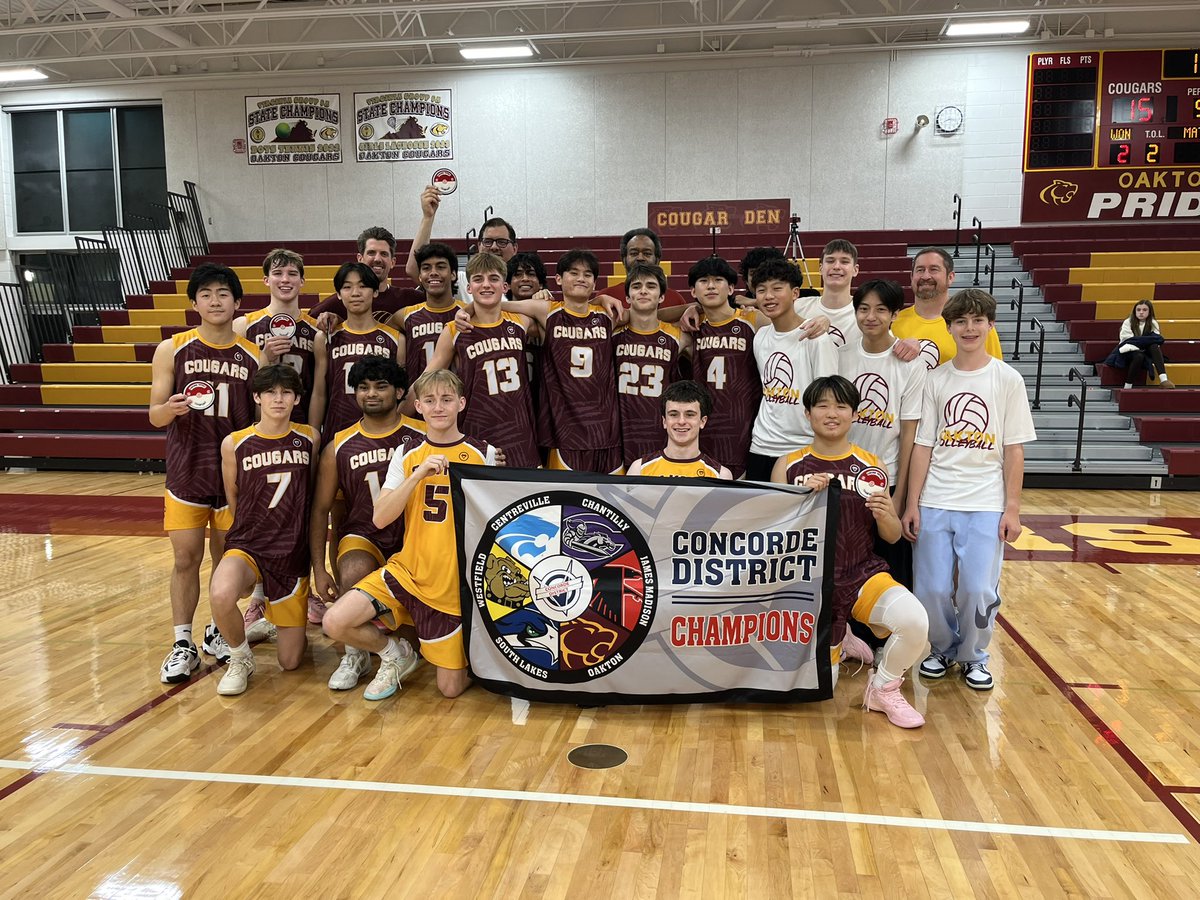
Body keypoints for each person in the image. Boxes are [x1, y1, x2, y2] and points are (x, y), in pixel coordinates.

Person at [321, 369, 498, 701]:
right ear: (418, 406)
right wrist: (417, 476)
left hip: (451, 586)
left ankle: (461, 653)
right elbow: (381, 516)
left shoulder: (484, 454)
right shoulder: (406, 455)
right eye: (430, 400)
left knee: (450, 689)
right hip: (407, 571)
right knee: (334, 622)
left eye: (446, 399)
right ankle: (396, 652)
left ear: (461, 403)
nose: (438, 407)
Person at [771, 375, 930, 728]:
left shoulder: (871, 465)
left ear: (854, 415)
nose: (832, 413)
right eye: (823, 405)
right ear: (808, 413)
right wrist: (798, 502)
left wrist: (888, 514)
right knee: (817, 690)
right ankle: (838, 637)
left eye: (841, 406)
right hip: (807, 586)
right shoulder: (788, 465)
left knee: (915, 621)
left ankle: (884, 688)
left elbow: (889, 537)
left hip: (860, 572)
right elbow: (772, 537)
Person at [902, 289, 1036, 691]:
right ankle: (942, 649)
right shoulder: (935, 378)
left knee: (977, 589)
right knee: (932, 588)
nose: (969, 328)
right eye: (961, 321)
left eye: (978, 320)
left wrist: (1012, 509)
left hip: (985, 502)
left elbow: (1014, 451)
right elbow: (923, 446)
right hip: (936, 499)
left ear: (990, 326)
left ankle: (974, 655)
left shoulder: (1007, 379)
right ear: (950, 327)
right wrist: (912, 503)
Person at [150, 263, 259, 683]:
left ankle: (216, 630)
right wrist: (170, 409)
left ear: (236, 302)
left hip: (231, 478)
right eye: (207, 294)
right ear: (194, 302)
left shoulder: (253, 355)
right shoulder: (172, 349)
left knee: (225, 560)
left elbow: (255, 425)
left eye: (223, 294)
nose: (215, 301)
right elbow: (154, 415)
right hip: (187, 472)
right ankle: (181, 642)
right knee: (184, 559)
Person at [310, 355, 426, 690]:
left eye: (380, 386)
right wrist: (320, 569)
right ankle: (356, 653)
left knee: (418, 649)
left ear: (400, 392)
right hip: (363, 534)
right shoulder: (339, 446)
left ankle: (398, 648)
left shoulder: (421, 435)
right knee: (353, 571)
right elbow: (321, 511)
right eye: (363, 387)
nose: (371, 394)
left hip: (412, 537)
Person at [208, 364, 319, 695]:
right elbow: (234, 497)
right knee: (221, 593)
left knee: (290, 662)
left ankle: (271, 618)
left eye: (286, 392)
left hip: (291, 555)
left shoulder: (309, 438)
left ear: (297, 398)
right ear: (256, 396)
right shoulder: (235, 443)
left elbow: (311, 496)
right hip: (248, 545)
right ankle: (240, 657)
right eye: (270, 392)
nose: (278, 399)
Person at [425, 252, 541, 468]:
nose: (486, 285)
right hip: (475, 433)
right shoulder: (454, 330)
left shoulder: (521, 323)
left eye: (494, 279)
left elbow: (557, 314)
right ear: (469, 288)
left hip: (521, 434)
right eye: (478, 280)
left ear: (505, 286)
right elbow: (426, 381)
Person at [745, 258, 838, 481]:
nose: (768, 296)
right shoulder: (761, 337)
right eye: (761, 290)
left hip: (802, 446)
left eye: (777, 288)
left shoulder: (816, 338)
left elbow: (828, 398)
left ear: (795, 293)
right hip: (762, 444)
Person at [687, 256, 760, 478]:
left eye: (718, 280)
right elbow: (648, 316)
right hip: (706, 428)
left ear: (730, 289)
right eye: (703, 281)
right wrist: (689, 309)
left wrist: (821, 320)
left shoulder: (752, 319)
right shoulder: (692, 328)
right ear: (693, 292)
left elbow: (790, 323)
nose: (710, 286)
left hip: (745, 426)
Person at [235, 248, 322, 424]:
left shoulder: (315, 328)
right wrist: (263, 358)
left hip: (301, 421)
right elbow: (237, 382)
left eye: (292, 273)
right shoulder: (244, 325)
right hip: (257, 423)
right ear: (266, 280)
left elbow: (319, 388)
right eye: (277, 273)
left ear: (302, 281)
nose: (285, 279)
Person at [615, 262, 687, 468]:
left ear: (662, 296)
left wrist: (695, 308)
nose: (644, 291)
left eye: (651, 286)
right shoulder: (611, 334)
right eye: (636, 286)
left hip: (659, 430)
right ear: (627, 297)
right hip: (619, 431)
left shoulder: (678, 336)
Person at [320, 262, 404, 438]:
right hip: (337, 428)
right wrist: (315, 431)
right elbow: (319, 392)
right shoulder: (326, 337)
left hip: (383, 430)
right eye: (347, 287)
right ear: (338, 294)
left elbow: (401, 392)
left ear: (375, 292)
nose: (355, 293)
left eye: (363, 286)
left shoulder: (396, 339)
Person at [893, 248, 1003, 369]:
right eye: (920, 270)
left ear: (950, 277)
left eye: (934, 269)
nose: (925, 276)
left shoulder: (975, 326)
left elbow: (995, 375)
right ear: (911, 276)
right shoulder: (893, 323)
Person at [311, 225, 425, 326]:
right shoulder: (341, 302)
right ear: (360, 259)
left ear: (393, 262)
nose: (377, 259)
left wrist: (427, 218)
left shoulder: (411, 299)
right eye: (371, 253)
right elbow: (307, 323)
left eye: (384, 254)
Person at [388, 241, 464, 386]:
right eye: (426, 268)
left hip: (456, 399)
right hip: (418, 400)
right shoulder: (404, 316)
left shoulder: (467, 313)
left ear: (453, 274)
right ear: (421, 277)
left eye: (441, 267)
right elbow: (374, 332)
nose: (433, 272)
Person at [628, 379, 731, 478]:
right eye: (673, 414)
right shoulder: (639, 470)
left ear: (702, 421)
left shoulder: (720, 475)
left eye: (690, 415)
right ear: (664, 421)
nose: (681, 421)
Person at [595, 227, 688, 308]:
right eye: (634, 253)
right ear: (623, 259)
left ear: (657, 260)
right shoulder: (606, 296)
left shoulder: (675, 299)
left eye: (647, 253)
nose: (640, 258)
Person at [796, 240, 861, 349]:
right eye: (830, 261)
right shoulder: (798, 306)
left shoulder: (865, 311)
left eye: (844, 262)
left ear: (855, 270)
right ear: (820, 268)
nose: (836, 266)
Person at [1109, 300, 1174, 389]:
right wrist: (1146, 341)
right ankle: (1128, 386)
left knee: (1154, 346)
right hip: (1128, 351)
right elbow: (1127, 341)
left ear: (1149, 312)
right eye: (1138, 310)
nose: (1141, 312)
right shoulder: (1128, 322)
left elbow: (1157, 340)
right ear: (1134, 311)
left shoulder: (1153, 323)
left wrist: (1141, 341)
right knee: (1139, 355)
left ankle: (1164, 380)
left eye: (1144, 310)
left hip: (1145, 351)